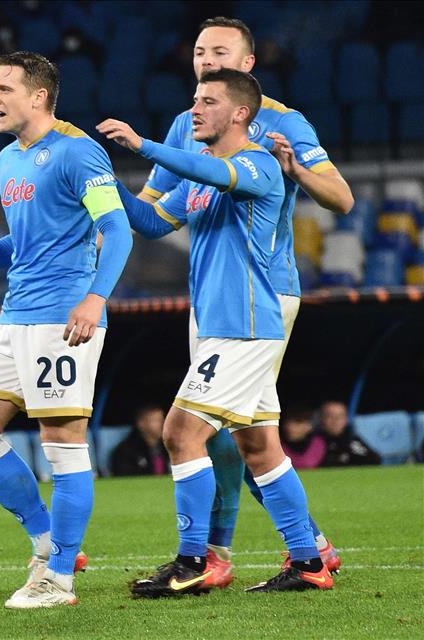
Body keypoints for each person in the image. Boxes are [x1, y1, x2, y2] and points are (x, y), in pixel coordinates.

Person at [130, 16, 351, 587]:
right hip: (213, 303)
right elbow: (153, 212)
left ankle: (203, 558)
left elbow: (341, 198)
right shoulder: (192, 126)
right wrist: (93, 185)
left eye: (219, 52)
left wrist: (295, 170)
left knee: (189, 431)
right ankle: (310, 555)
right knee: (252, 439)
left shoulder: (273, 136)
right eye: (199, 52)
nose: (206, 61)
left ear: (247, 67)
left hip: (258, 300)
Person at [0, 51, 132, 609]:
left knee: (62, 446)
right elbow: (24, 240)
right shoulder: (9, 158)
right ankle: (46, 539)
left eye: (4, 89)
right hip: (14, 316)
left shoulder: (78, 152)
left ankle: (58, 579)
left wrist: (94, 299)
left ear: (39, 96)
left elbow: (117, 229)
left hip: (62, 318)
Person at [110, 404, 169, 477]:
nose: (162, 424)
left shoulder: (169, 447)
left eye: (162, 420)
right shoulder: (126, 451)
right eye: (156, 420)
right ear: (141, 424)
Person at [317, 401, 381, 467]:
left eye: (340, 416)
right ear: (321, 419)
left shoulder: (351, 441)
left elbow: (374, 460)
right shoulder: (314, 441)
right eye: (330, 416)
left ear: (346, 420)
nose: (335, 420)